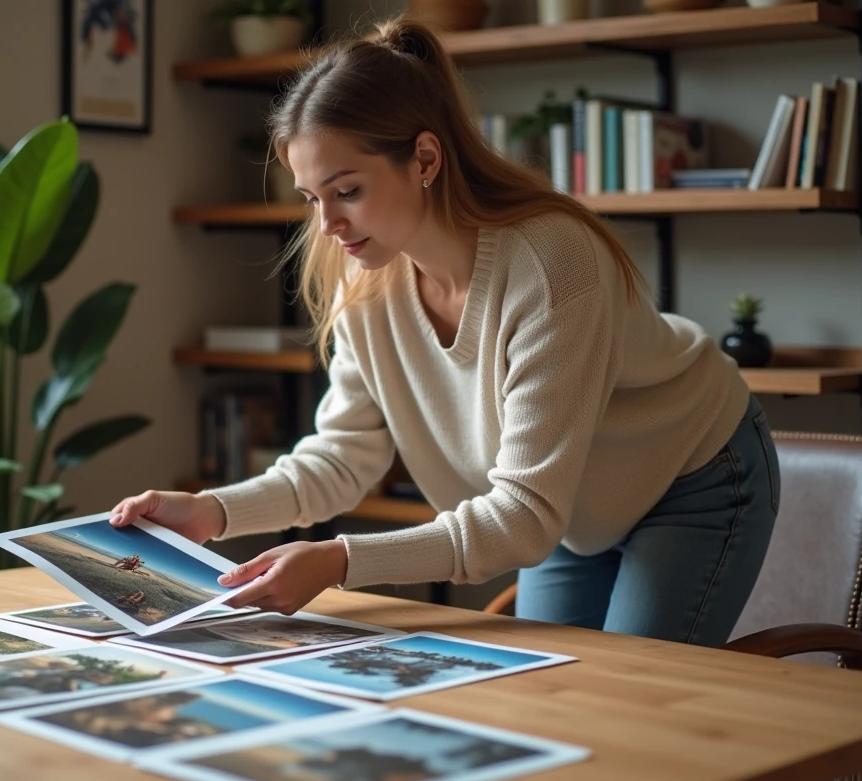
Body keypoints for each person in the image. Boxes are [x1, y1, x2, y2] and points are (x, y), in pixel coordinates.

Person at [112, 17, 780, 646]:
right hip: (571, 512)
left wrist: (339, 560)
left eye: (347, 191)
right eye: (313, 198)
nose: (328, 227)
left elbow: (519, 519)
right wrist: (210, 513)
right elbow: (343, 457)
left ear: (425, 158)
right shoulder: (364, 278)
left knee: (639, 719)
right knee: (549, 706)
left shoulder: (550, 263)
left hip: (692, 475)